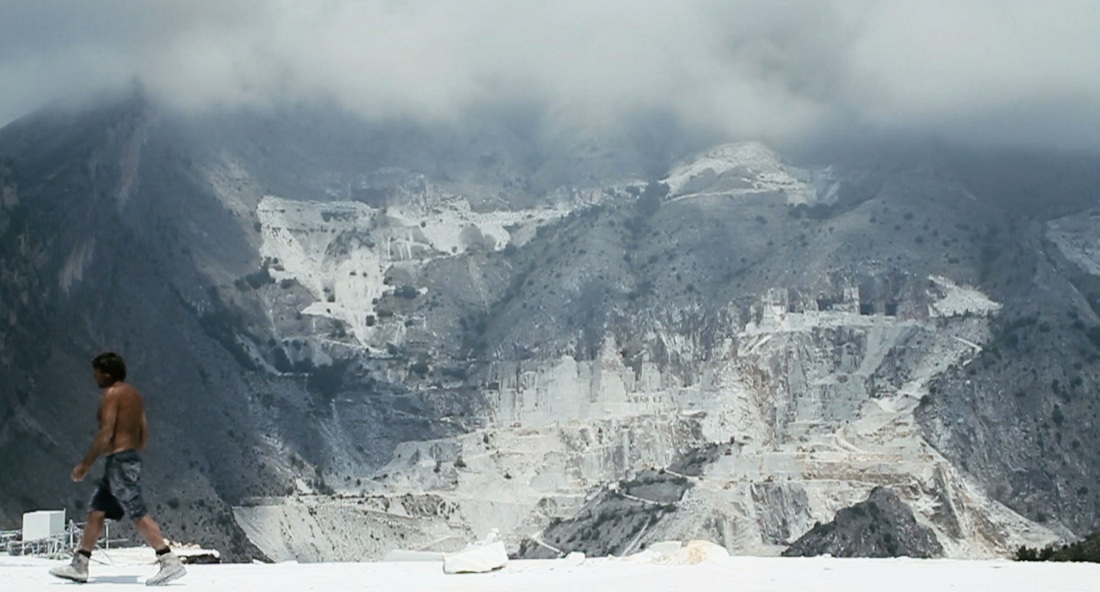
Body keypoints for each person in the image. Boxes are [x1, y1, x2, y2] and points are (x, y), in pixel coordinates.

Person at [50, 352, 186, 586]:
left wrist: (85, 464)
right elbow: (143, 431)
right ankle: (80, 564)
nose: (95, 378)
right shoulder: (134, 395)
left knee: (137, 510)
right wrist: (132, 454)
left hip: (120, 462)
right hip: (126, 459)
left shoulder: (112, 395)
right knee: (96, 510)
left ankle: (168, 559)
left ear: (106, 373)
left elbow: (106, 432)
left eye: (97, 373)